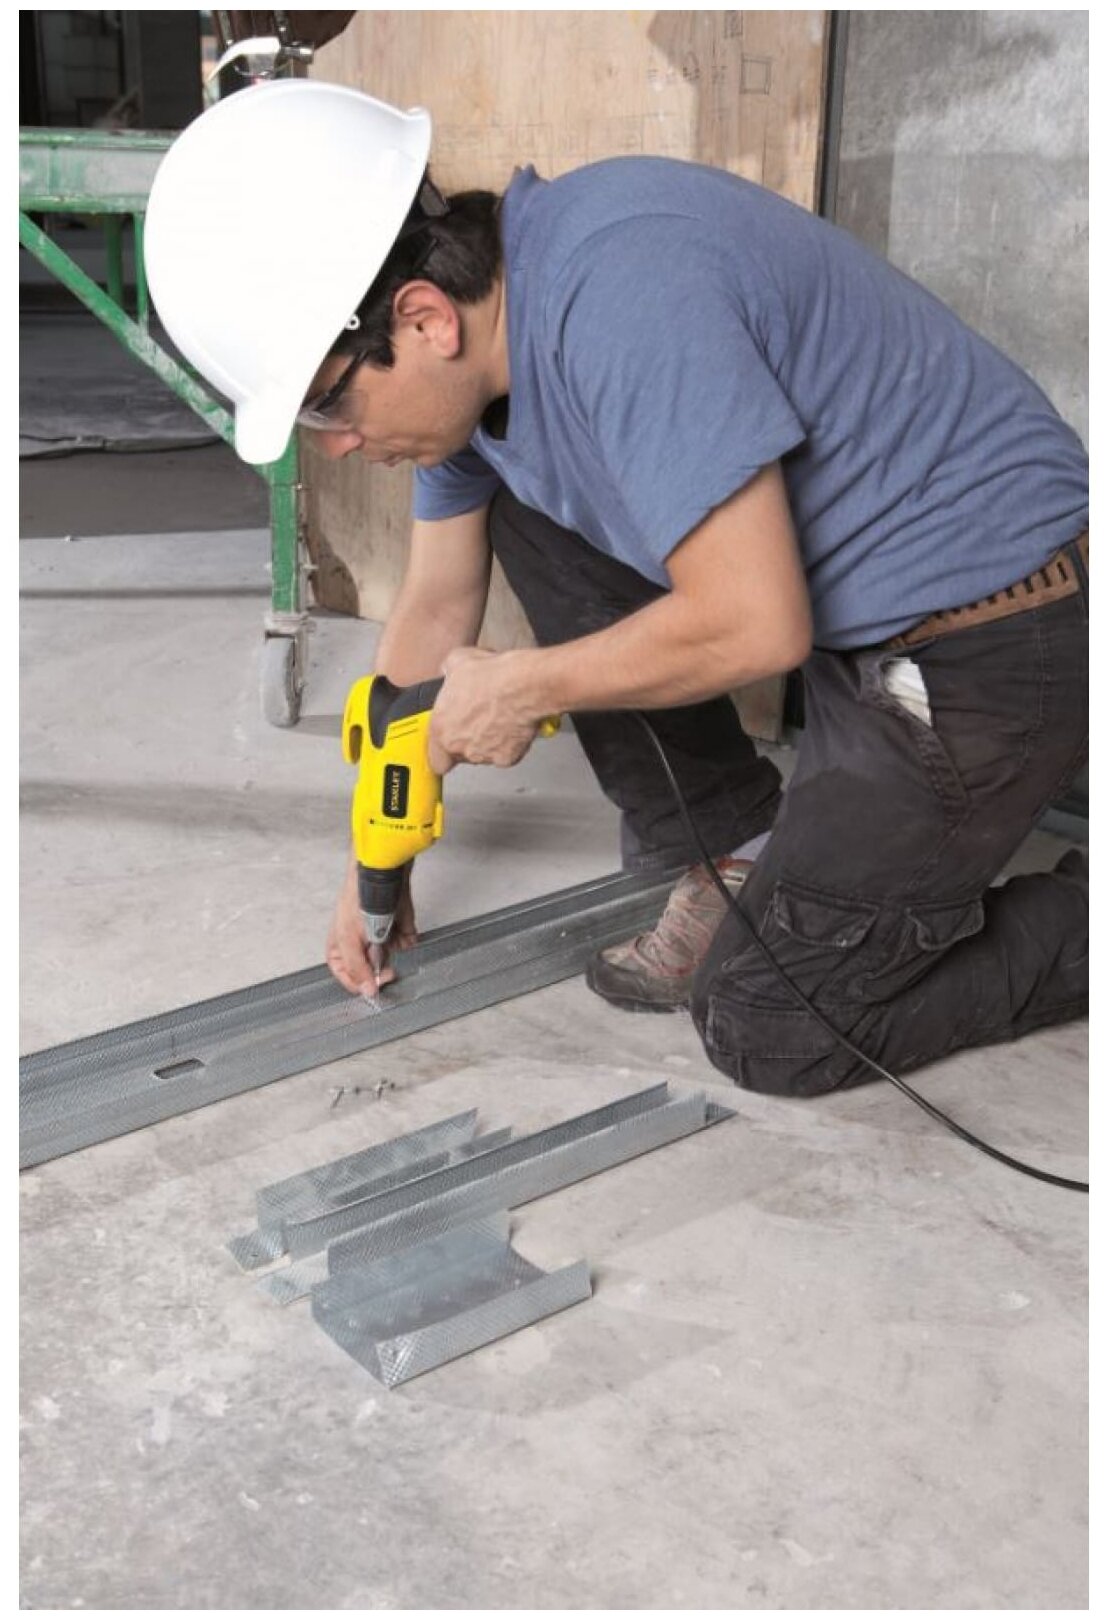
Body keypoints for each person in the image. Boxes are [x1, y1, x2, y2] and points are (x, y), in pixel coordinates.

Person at [146, 79, 1088, 1099]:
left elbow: (755, 625)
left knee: (772, 1026)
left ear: (422, 318)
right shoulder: (490, 355)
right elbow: (434, 605)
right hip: (862, 626)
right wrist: (373, 864)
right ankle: (736, 849)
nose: (337, 445)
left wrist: (527, 687)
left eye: (330, 405)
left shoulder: (625, 295)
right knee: (528, 507)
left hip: (993, 636)